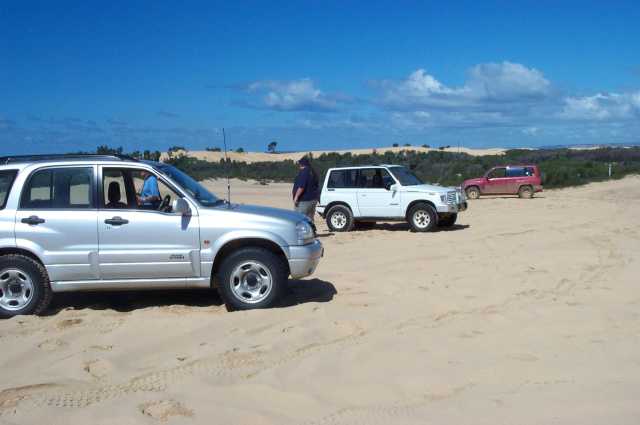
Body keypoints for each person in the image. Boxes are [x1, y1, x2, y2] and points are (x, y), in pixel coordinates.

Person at [292, 157, 319, 222]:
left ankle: (303, 232)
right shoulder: (313, 172)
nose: (299, 165)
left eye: (299, 164)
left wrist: (296, 197)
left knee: (299, 219)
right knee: (310, 219)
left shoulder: (304, 172)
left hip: (304, 201)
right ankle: (311, 231)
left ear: (302, 164)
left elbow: (301, 186)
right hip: (313, 199)